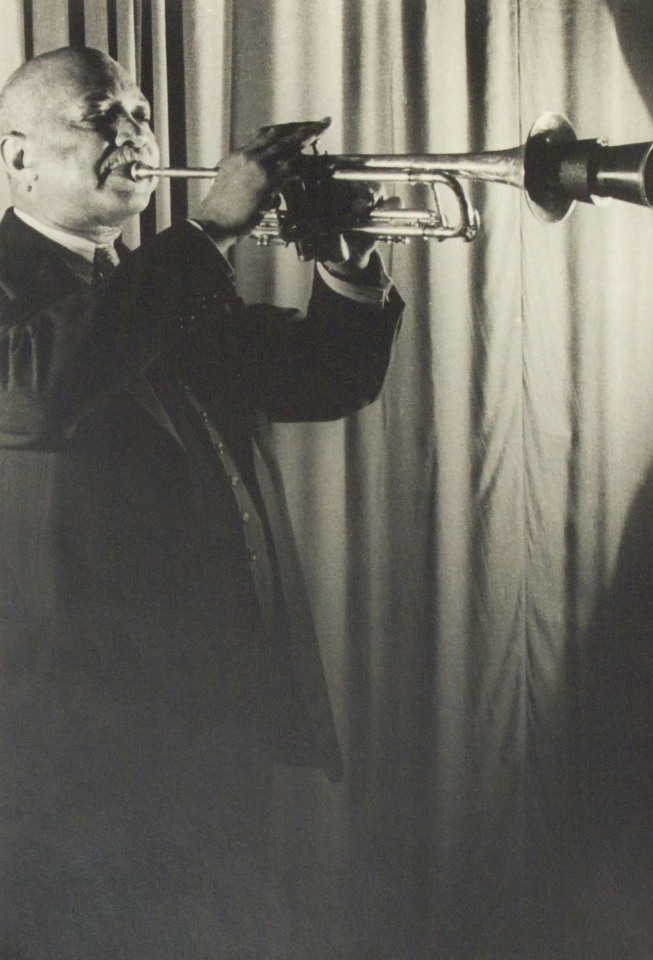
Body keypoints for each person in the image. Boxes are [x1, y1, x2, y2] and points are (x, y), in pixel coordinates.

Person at [0, 45, 403, 957]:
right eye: (100, 115)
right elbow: (31, 395)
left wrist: (348, 259)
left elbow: (320, 378)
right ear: (18, 157)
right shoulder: (104, 283)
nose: (135, 131)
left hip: (211, 716)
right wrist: (212, 229)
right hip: (69, 743)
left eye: (141, 113)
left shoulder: (146, 287)